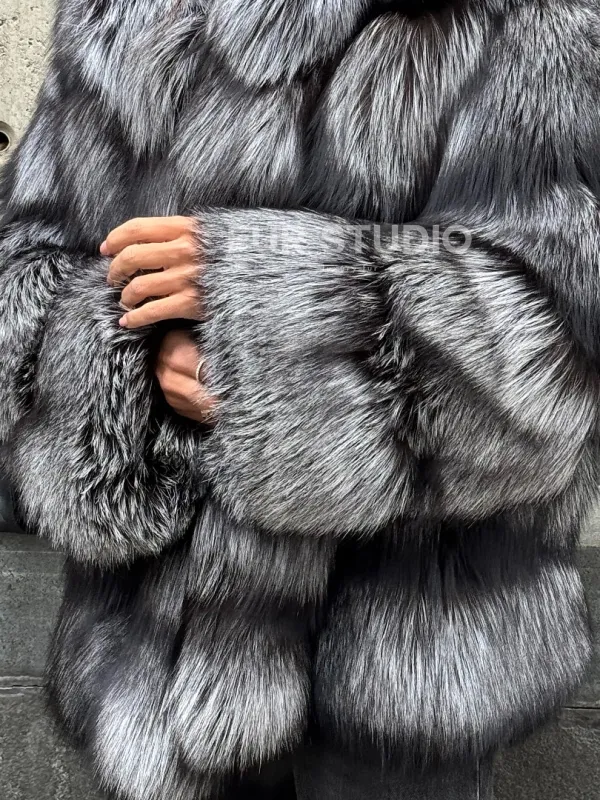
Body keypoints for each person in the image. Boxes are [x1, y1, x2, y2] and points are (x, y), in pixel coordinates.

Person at [1, 0, 599, 798]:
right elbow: (23, 279)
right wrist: (132, 359)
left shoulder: (527, 19)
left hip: (391, 679)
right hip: (149, 672)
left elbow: (553, 348)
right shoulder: (117, 18)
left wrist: (263, 308)